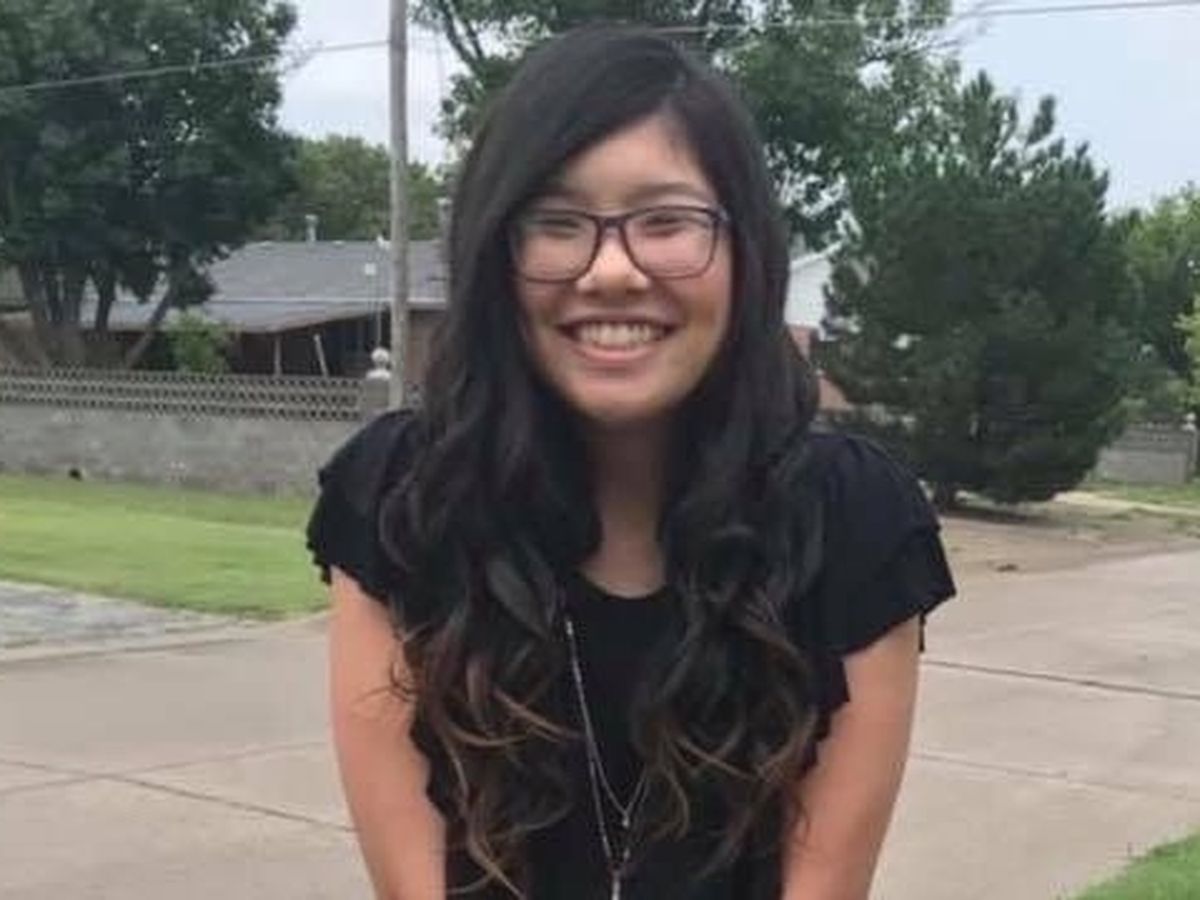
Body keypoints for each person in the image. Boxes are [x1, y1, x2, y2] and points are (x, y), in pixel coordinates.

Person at [307, 23, 955, 900]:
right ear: (498, 255)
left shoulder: (852, 521)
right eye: (557, 223)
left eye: (667, 221)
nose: (612, 271)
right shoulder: (400, 502)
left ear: (745, 251)